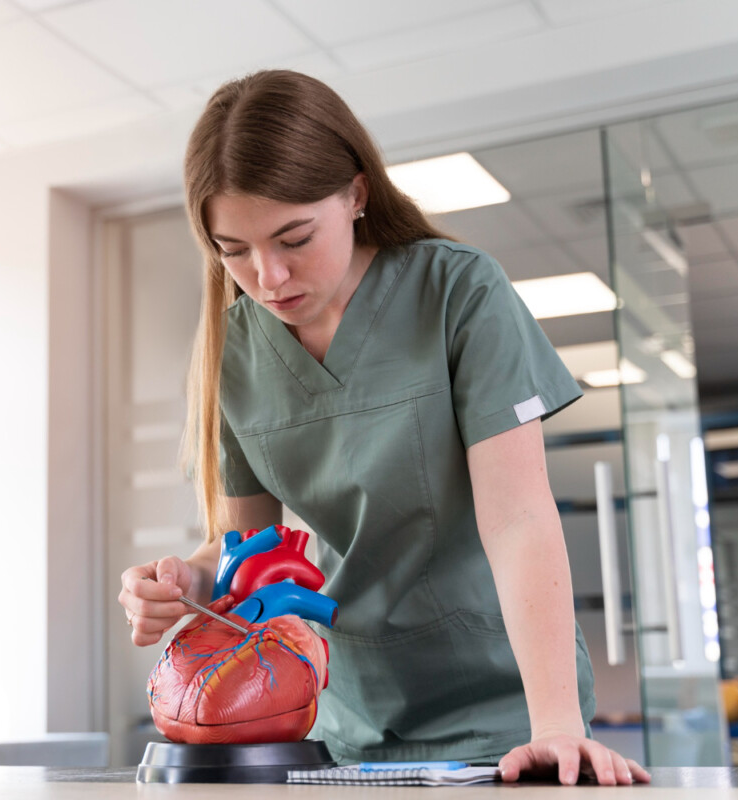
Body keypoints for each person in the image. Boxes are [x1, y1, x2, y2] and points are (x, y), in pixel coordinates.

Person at [117, 70, 651, 786]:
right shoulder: (232, 347)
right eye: (233, 250)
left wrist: (556, 723)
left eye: (293, 237)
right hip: (345, 717)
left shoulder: (458, 293)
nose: (268, 276)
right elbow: (249, 549)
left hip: (507, 709)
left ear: (356, 194)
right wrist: (193, 575)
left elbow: (519, 516)